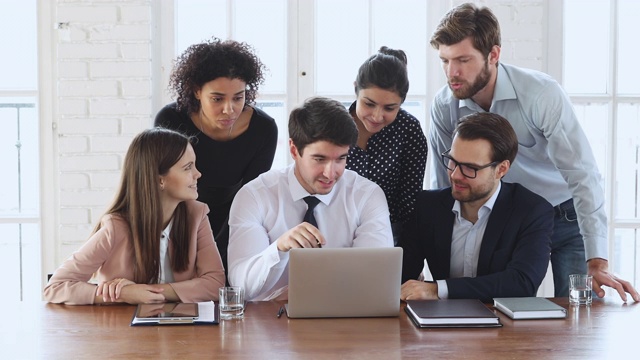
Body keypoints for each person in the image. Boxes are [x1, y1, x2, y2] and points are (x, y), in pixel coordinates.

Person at [428, 3, 639, 302]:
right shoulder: (443, 106)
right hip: (503, 218)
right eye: (445, 60)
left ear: (494, 54)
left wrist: (597, 259)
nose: (452, 73)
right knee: (499, 306)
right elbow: (443, 181)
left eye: (463, 60)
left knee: (578, 312)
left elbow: (582, 173)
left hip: (563, 215)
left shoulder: (540, 94)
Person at [227, 96, 394, 301]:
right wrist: (278, 249)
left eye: (341, 159)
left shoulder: (367, 196)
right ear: (294, 150)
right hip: (269, 324)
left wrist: (308, 294)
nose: (330, 173)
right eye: (319, 159)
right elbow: (240, 287)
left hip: (345, 321)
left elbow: (375, 278)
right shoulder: (254, 195)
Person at [44, 128, 226, 305]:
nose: (198, 174)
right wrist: (123, 294)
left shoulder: (197, 215)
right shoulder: (115, 228)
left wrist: (147, 291)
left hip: (181, 331)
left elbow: (216, 283)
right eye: (187, 168)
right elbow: (55, 288)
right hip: (124, 331)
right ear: (159, 179)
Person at [154, 37, 278, 280]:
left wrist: (219, 247)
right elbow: (163, 188)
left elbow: (251, 195)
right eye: (218, 99)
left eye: (238, 97)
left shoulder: (264, 129)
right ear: (197, 91)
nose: (229, 109)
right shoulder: (170, 120)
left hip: (235, 219)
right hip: (177, 215)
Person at [400, 112, 553, 302]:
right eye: (453, 161)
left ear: (501, 169)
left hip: (504, 326)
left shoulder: (532, 211)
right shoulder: (428, 206)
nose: (455, 175)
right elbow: (403, 273)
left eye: (470, 168)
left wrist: (438, 290)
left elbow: (522, 283)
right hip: (438, 322)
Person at [347, 46, 428, 244]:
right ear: (356, 88)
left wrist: (409, 256)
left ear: (402, 102)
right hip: (334, 231)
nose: (376, 116)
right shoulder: (332, 124)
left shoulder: (409, 130)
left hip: (389, 234)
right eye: (369, 103)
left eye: (389, 108)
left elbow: (409, 203)